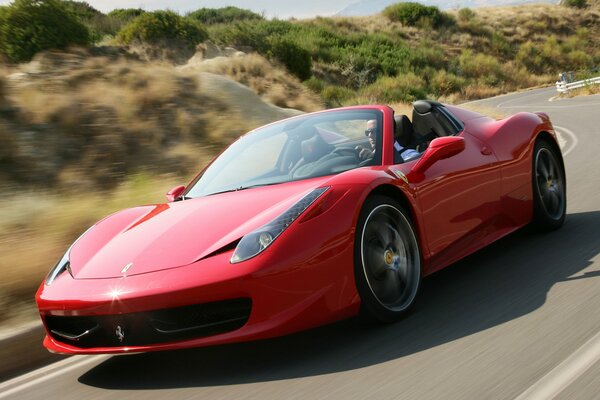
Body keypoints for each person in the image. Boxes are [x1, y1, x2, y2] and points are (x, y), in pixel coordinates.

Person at [356, 119, 420, 163]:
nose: (370, 135)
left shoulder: (410, 156)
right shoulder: (370, 154)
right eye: (367, 132)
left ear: (389, 132)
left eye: (374, 131)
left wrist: (376, 159)